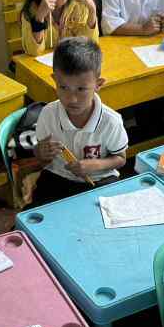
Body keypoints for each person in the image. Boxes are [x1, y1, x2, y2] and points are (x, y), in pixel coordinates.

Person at [32, 37, 128, 204]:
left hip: (99, 179)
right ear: (54, 80)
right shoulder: (48, 114)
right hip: (58, 176)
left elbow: (120, 158)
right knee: (36, 213)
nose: (72, 99)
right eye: (63, 87)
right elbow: (40, 156)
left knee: (103, 213)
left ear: (98, 84)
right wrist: (41, 153)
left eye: (81, 89)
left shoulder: (111, 121)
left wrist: (94, 165)